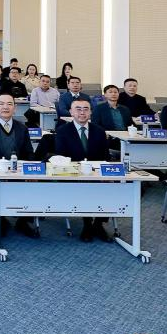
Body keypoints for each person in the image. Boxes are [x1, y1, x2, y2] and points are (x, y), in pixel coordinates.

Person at [0, 93, 39, 239]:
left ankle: (23, 221)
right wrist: (1, 171)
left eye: (9, 104)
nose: (5, 107)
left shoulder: (22, 128)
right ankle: (0, 220)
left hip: (18, 173)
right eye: (1, 104)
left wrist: (28, 171)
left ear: (15, 108)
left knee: (33, 185)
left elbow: (29, 153)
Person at [53, 97, 112, 243]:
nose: (82, 112)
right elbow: (61, 157)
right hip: (72, 175)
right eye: (78, 109)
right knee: (86, 187)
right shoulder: (62, 131)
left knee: (111, 187)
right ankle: (87, 224)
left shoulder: (99, 131)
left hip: (95, 173)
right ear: (71, 112)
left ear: (91, 112)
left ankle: (98, 224)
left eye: (86, 109)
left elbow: (105, 157)